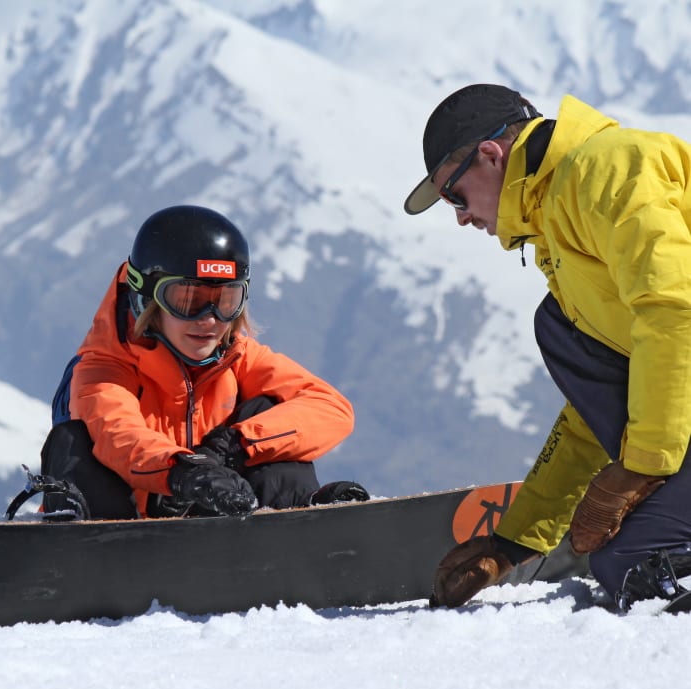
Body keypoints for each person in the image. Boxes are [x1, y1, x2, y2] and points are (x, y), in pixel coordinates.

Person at [404, 83, 691, 611]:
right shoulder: (557, 225)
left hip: (675, 414)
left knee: (639, 564)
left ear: (490, 156)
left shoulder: (604, 169)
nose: (460, 216)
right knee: (560, 329)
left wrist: (643, 465)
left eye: (454, 194)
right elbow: (606, 399)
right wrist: (512, 543)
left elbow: (673, 308)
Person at [40, 204, 368, 520]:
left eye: (226, 301)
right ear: (147, 299)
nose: (209, 320)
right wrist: (184, 472)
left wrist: (236, 444)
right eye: (189, 300)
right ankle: (84, 556)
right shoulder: (103, 368)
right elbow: (118, 435)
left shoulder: (237, 356)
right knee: (73, 442)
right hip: (125, 531)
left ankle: (301, 521)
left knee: (270, 420)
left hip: (214, 524)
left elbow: (331, 408)